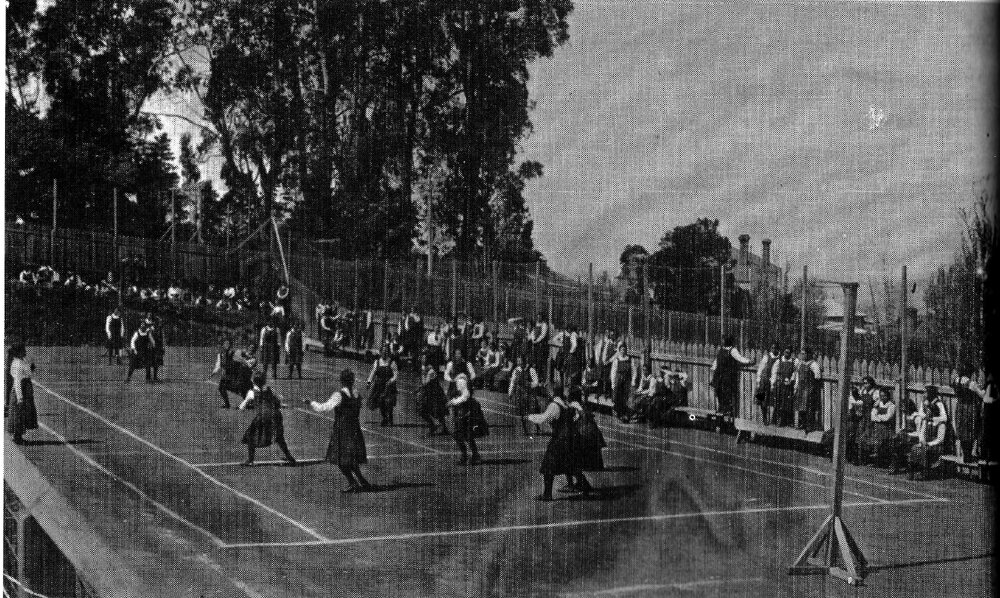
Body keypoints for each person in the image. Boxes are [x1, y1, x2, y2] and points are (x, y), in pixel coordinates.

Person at [307, 369, 372, 492]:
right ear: (352, 381)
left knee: (341, 460)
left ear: (341, 380)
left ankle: (353, 483)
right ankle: (362, 480)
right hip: (355, 430)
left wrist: (311, 402)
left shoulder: (339, 395)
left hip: (342, 430)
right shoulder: (356, 394)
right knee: (351, 458)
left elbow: (323, 408)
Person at [528, 386, 592, 501]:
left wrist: (531, 417)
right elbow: (576, 417)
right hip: (571, 437)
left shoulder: (554, 405)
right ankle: (586, 486)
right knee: (570, 464)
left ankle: (547, 494)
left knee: (548, 465)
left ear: (553, 393)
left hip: (560, 439)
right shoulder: (566, 405)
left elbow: (544, 418)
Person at [239, 373, 297, 466]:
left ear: (254, 382)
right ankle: (290, 458)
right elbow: (279, 399)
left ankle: (250, 460)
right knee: (279, 437)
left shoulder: (252, 392)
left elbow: (242, 406)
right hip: (276, 415)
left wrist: (246, 405)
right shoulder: (270, 390)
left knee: (250, 435)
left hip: (263, 416)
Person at [907, 388, 949, 480]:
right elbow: (922, 433)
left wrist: (929, 444)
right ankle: (913, 470)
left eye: (930, 412)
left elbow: (940, 439)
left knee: (924, 450)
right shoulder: (927, 422)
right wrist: (922, 442)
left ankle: (924, 472)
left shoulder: (940, 424)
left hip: (936, 445)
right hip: (926, 443)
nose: (928, 413)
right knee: (915, 448)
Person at [447, 374, 487, 465]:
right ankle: (473, 455)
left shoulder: (461, 381)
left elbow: (466, 396)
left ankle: (466, 456)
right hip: (462, 410)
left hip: (465, 410)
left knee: (459, 434)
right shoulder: (458, 380)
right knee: (467, 435)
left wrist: (453, 402)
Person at [710, 336, 753, 420]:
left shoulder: (733, 350)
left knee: (726, 392)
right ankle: (721, 408)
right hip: (719, 374)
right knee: (719, 391)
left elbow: (739, 358)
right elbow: (717, 360)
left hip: (727, 375)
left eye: (723, 340)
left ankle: (727, 409)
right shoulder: (721, 349)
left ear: (727, 340)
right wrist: (714, 367)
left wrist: (748, 361)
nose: (722, 341)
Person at [952, 369, 987, 463]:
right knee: (970, 431)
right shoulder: (970, 383)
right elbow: (982, 395)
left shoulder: (956, 380)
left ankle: (966, 455)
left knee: (962, 432)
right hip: (969, 408)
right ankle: (969, 456)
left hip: (960, 407)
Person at [6, 344, 38, 444]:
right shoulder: (18, 363)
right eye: (23, 351)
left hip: (25, 389)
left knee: (22, 414)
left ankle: (18, 436)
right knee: (18, 414)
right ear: (18, 352)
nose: (25, 352)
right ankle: (17, 437)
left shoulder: (21, 361)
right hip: (20, 391)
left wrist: (31, 368)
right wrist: (20, 398)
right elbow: (17, 382)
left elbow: (27, 373)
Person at [857, 386, 897, 466]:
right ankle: (863, 459)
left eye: (884, 396)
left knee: (880, 442)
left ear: (888, 396)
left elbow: (887, 418)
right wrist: (879, 417)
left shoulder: (891, 406)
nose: (883, 398)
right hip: (875, 427)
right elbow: (872, 416)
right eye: (881, 396)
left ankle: (878, 461)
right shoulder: (877, 404)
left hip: (886, 428)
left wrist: (878, 417)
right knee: (863, 438)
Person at [509, 355, 544, 437]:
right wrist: (510, 392)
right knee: (521, 413)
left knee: (533, 411)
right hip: (520, 393)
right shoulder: (516, 370)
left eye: (520, 361)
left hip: (529, 393)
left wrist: (528, 384)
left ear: (524, 361)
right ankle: (525, 430)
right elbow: (513, 382)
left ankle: (538, 428)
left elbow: (536, 382)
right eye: (518, 361)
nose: (519, 363)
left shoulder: (531, 370)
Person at [846, 376, 879, 464]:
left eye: (867, 383)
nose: (865, 385)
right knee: (858, 436)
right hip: (862, 416)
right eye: (864, 383)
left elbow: (876, 405)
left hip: (871, 417)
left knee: (867, 437)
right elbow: (858, 401)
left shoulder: (876, 392)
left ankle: (865, 459)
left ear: (871, 383)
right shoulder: (862, 391)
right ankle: (857, 458)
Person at [417, 353, 449, 436]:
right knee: (434, 410)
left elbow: (425, 383)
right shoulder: (424, 368)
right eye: (422, 358)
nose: (422, 359)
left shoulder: (430, 370)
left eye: (424, 358)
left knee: (435, 410)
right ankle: (441, 427)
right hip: (429, 392)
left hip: (434, 393)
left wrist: (423, 374)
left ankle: (434, 426)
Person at [211, 337, 247, 408]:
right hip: (227, 374)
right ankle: (227, 404)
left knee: (235, 389)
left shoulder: (233, 352)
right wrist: (214, 372)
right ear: (223, 345)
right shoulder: (221, 353)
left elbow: (241, 359)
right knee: (222, 388)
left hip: (234, 373)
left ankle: (248, 400)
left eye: (228, 343)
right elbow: (218, 364)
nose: (227, 345)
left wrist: (245, 361)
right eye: (225, 343)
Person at [367, 350, 399, 426]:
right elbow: (373, 372)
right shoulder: (377, 362)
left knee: (389, 402)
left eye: (386, 353)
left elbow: (396, 374)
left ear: (388, 354)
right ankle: (384, 418)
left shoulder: (392, 362)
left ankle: (390, 418)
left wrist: (391, 380)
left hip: (389, 385)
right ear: (380, 353)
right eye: (383, 353)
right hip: (379, 385)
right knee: (380, 402)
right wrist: (369, 381)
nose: (384, 354)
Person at [792, 348, 821, 431]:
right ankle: (803, 424)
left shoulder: (813, 364)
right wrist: (796, 387)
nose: (803, 355)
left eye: (804, 354)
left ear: (809, 354)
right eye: (802, 354)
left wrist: (812, 387)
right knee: (800, 407)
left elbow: (817, 377)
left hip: (808, 389)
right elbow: (797, 376)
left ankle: (809, 425)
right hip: (800, 388)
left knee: (809, 408)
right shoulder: (800, 363)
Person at [769, 348, 797, 427]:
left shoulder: (794, 362)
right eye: (785, 352)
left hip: (789, 386)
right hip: (780, 386)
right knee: (779, 403)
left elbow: (795, 373)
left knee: (788, 404)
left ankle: (787, 422)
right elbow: (774, 373)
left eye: (788, 352)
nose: (786, 354)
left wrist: (791, 380)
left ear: (791, 353)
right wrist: (772, 384)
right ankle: (777, 421)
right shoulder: (779, 361)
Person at [754, 343, 781, 425]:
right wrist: (758, 380)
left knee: (773, 401)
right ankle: (764, 418)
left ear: (777, 349)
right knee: (762, 400)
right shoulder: (766, 357)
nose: (773, 349)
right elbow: (760, 368)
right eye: (772, 348)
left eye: (775, 348)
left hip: (773, 381)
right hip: (764, 380)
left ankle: (773, 420)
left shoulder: (779, 358)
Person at [609, 342, 635, 422]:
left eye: (624, 350)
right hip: (619, 380)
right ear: (619, 350)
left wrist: (633, 380)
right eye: (621, 350)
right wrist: (613, 383)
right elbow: (613, 372)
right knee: (618, 397)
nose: (623, 351)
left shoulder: (630, 359)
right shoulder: (617, 360)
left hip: (627, 380)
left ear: (626, 350)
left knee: (626, 397)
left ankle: (625, 414)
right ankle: (619, 413)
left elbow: (634, 371)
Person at [149, 315, 165, 382]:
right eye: (158, 321)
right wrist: (153, 343)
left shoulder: (160, 328)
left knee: (157, 362)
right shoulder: (152, 328)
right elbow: (150, 336)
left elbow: (163, 337)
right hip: (153, 347)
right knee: (151, 362)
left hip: (159, 346)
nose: (160, 322)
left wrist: (163, 346)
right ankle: (149, 377)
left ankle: (155, 376)